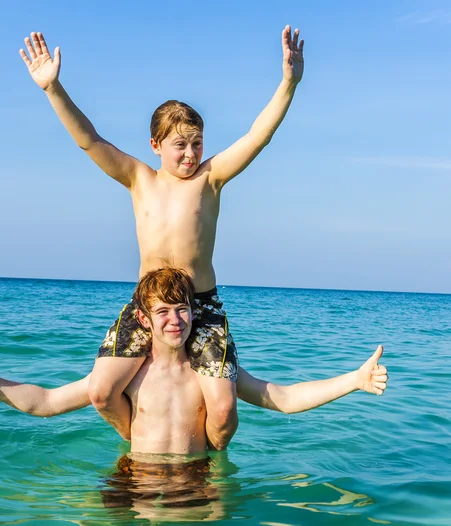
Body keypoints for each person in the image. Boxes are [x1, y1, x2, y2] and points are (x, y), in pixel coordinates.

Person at [17, 26, 305, 450]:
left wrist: (288, 84)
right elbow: (89, 140)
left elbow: (257, 135)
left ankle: (205, 463)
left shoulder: (212, 178)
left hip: (200, 307)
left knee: (224, 409)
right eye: (179, 145)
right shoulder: (138, 179)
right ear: (155, 144)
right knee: (100, 392)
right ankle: (141, 445)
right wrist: (52, 88)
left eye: (197, 143)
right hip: (148, 307)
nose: (190, 154)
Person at [0, 267, 389, 455]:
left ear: (194, 313)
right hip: (133, 479)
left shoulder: (209, 373)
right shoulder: (131, 375)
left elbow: (284, 397)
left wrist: (354, 379)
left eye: (182, 309)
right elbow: (45, 402)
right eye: (163, 311)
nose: (174, 320)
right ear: (143, 318)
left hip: (195, 483)